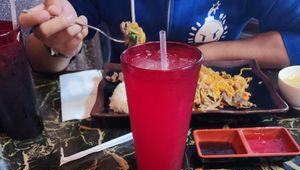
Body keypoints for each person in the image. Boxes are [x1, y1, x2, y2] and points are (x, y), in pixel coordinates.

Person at [19, 0, 300, 73]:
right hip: (128, 103)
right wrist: (60, 47)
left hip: (222, 113)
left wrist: (205, 55)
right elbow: (39, 58)